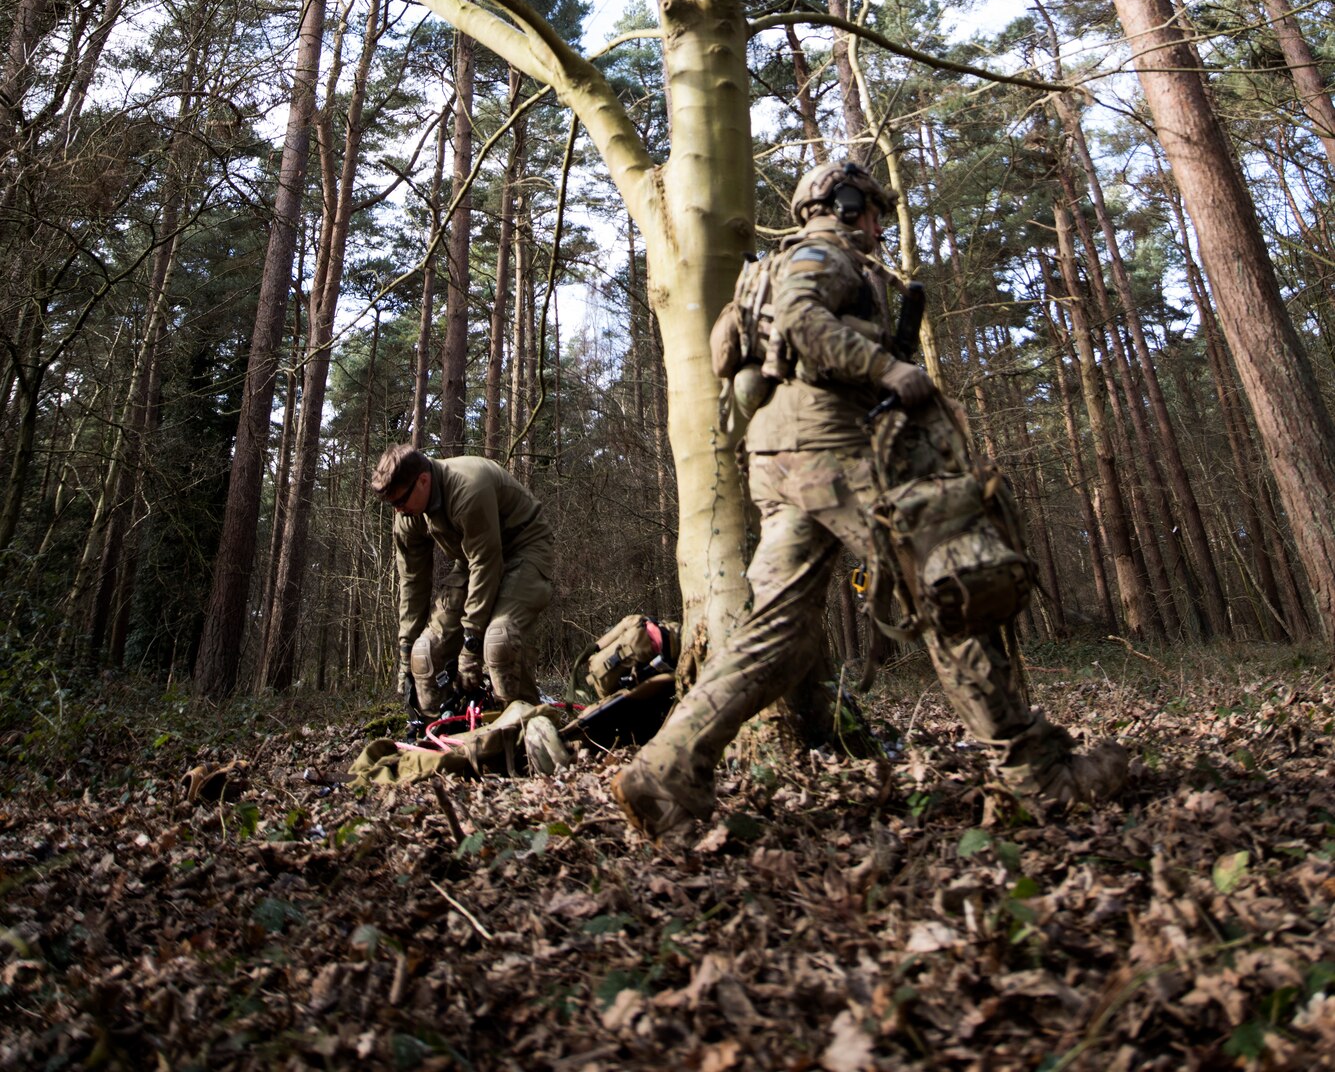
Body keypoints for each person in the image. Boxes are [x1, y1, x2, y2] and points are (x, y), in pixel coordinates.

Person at [612, 161, 1129, 838]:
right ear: (848, 203)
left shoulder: (762, 272)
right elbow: (800, 322)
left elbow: (737, 355)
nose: (880, 227)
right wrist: (889, 369)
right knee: (949, 589)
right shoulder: (823, 254)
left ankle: (664, 771)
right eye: (874, 211)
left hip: (778, 465)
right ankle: (1040, 778)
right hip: (836, 456)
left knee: (778, 632)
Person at [370, 443, 556, 713]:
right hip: (474, 559)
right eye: (392, 504)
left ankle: (525, 722)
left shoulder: (468, 488)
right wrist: (406, 650)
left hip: (524, 547)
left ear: (423, 481)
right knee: (425, 653)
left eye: (400, 501)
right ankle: (443, 729)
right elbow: (412, 581)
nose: (397, 510)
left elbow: (487, 562)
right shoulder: (409, 514)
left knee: (499, 640)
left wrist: (471, 644)